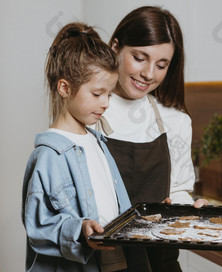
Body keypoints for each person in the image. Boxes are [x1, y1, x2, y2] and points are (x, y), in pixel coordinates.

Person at [96, 6, 208, 271]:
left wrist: (191, 210)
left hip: (160, 262)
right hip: (105, 262)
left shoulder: (176, 121)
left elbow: (177, 190)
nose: (148, 74)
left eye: (161, 65)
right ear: (115, 47)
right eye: (139, 57)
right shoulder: (89, 114)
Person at [21, 22, 132, 272]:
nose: (105, 104)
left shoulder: (97, 141)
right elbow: (38, 226)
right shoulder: (49, 155)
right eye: (97, 94)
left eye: (109, 95)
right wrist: (79, 230)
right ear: (64, 87)